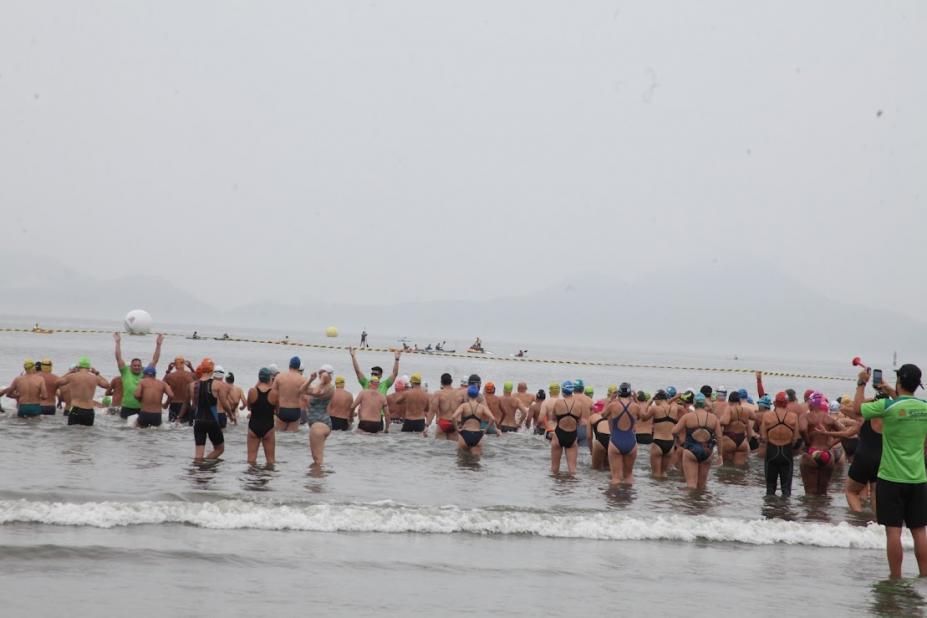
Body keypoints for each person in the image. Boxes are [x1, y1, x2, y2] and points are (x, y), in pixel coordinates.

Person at [855, 363, 927, 578]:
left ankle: (895, 577)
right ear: (917, 385)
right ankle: (924, 576)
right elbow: (907, 405)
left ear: (899, 382)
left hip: (891, 477)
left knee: (893, 531)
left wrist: (861, 383)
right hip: (918, 477)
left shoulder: (888, 406)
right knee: (920, 530)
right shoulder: (924, 408)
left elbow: (857, 409)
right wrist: (891, 389)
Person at [672, 393, 722, 489]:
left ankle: (691, 503)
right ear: (704, 404)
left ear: (694, 404)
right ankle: (700, 503)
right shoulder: (713, 418)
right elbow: (719, 436)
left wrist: (678, 441)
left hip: (691, 450)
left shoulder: (687, 417)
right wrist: (720, 455)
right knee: (702, 485)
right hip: (707, 451)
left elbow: (673, 431)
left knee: (691, 485)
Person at [114, 332, 163, 419]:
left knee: (140, 431)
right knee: (124, 430)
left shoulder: (145, 373)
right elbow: (118, 358)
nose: (137, 367)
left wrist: (158, 345)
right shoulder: (126, 372)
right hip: (127, 407)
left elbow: (155, 360)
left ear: (141, 366)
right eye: (135, 365)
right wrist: (118, 342)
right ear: (130, 366)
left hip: (142, 409)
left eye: (138, 365)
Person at [759, 392, 800, 496]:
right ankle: (784, 510)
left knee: (770, 489)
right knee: (786, 490)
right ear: (786, 403)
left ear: (775, 403)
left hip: (772, 451)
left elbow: (763, 437)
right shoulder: (793, 417)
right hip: (786, 452)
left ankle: (770, 509)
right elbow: (795, 439)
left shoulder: (767, 416)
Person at [798, 393, 840, 495]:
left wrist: (807, 441)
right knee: (823, 493)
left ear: (811, 404)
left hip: (812, 452)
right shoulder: (829, 418)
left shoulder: (806, 416)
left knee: (810, 493)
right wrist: (831, 444)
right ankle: (822, 510)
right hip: (827, 454)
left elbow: (802, 429)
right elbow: (845, 432)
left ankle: (812, 510)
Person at [55, 357, 110, 426]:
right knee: (88, 434)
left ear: (79, 366)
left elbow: (57, 382)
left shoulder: (72, 376)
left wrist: (70, 372)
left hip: (76, 410)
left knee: (72, 433)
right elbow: (107, 385)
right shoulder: (95, 378)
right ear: (89, 368)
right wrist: (96, 373)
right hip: (89, 411)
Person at [189, 359, 225, 460]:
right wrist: (230, 414)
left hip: (198, 421)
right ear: (212, 370)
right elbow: (224, 403)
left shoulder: (193, 385)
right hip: (212, 421)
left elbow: (194, 404)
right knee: (220, 449)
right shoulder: (217, 384)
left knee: (198, 455)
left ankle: (198, 471)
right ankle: (207, 465)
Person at [605, 383, 639, 485]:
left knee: (616, 478)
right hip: (631, 441)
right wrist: (636, 399)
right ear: (630, 394)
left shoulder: (613, 405)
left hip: (616, 440)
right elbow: (643, 417)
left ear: (618, 393)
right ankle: (628, 499)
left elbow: (603, 415)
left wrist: (611, 400)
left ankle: (615, 498)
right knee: (629, 476)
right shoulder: (635, 406)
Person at [300, 365, 335, 466]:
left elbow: (317, 393)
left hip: (320, 424)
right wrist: (310, 380)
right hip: (315, 424)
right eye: (320, 373)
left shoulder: (330, 388)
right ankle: (316, 480)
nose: (321, 375)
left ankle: (317, 479)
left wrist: (323, 376)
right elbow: (301, 390)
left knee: (318, 459)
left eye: (323, 373)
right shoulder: (318, 387)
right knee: (316, 458)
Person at [640, 389, 676, 478]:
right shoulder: (674, 408)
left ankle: (656, 491)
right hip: (670, 443)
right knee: (664, 473)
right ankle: (663, 491)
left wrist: (648, 404)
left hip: (658, 442)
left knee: (655, 474)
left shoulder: (655, 408)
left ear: (657, 399)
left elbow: (644, 418)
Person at [451, 384, 495, 455]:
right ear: (477, 395)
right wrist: (485, 430)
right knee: (476, 462)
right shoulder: (482, 407)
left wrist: (457, 429)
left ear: (468, 395)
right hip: (477, 435)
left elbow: (453, 417)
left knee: (461, 461)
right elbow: (492, 418)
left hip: (465, 433)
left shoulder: (464, 406)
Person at [549, 381, 582, 475]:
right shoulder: (579, 404)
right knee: (572, 469)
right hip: (572, 435)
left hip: (559, 434)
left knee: (554, 468)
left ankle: (556, 488)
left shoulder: (558, 403)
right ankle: (570, 489)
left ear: (563, 391)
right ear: (572, 391)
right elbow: (579, 421)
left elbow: (553, 418)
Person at [246, 368, 276, 465]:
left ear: (259, 378)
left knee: (251, 459)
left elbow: (249, 407)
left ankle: (251, 478)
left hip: (253, 426)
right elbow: (277, 410)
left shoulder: (252, 391)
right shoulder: (274, 393)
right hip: (268, 427)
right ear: (269, 379)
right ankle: (267, 477)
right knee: (271, 461)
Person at [271, 356, 306, 432]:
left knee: (279, 435)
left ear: (289, 365)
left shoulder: (279, 377)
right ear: (298, 367)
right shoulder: (302, 379)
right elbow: (305, 397)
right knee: (292, 435)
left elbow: (272, 393)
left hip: (282, 410)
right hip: (295, 411)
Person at [720, 391, 753, 465]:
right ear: (739, 401)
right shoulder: (746, 410)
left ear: (729, 401)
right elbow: (754, 417)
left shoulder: (729, 409)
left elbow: (725, 422)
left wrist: (719, 421)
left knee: (726, 467)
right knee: (739, 469)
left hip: (729, 438)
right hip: (742, 441)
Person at [164, 357, 195, 423]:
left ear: (175, 365)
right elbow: (200, 381)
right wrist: (191, 367)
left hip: (174, 405)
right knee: (186, 427)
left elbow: (161, 385)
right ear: (184, 364)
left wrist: (168, 370)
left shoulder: (169, 376)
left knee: (173, 426)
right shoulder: (191, 375)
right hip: (186, 405)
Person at [431, 373, 460, 440]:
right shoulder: (458, 393)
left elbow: (432, 410)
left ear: (441, 382)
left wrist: (427, 425)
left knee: (440, 447)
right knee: (452, 447)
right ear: (451, 381)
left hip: (442, 422)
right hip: (454, 424)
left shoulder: (438, 393)